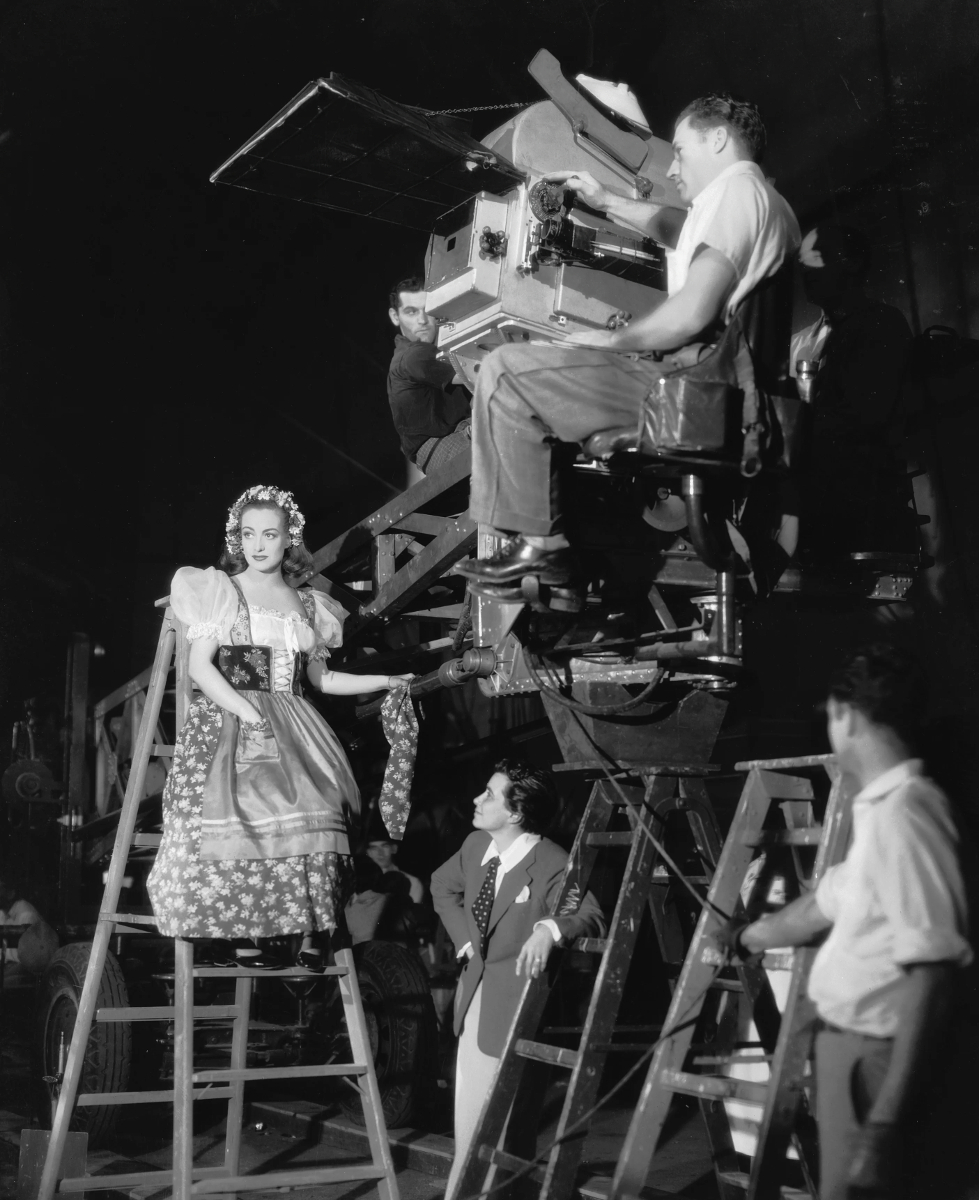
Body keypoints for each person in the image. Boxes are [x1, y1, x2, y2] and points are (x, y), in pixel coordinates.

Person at [455, 93, 800, 589]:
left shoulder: (738, 193)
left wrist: (603, 341)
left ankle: (541, 549)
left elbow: (691, 313)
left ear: (719, 139)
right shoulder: (760, 202)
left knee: (506, 372)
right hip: (726, 395)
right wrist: (605, 200)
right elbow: (679, 229)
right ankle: (551, 561)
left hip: (697, 388)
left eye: (680, 150)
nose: (674, 168)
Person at [717, 644, 973, 1200]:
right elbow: (823, 906)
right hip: (850, 1058)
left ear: (847, 715)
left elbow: (933, 974)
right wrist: (748, 936)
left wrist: (883, 1126)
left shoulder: (907, 813)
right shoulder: (883, 812)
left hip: (876, 1063)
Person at [146, 484, 411, 970]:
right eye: (249, 534)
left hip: (294, 716)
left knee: (324, 804)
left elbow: (324, 679)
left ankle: (313, 929)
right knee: (239, 809)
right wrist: (246, 713)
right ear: (237, 538)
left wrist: (389, 678)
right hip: (232, 715)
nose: (259, 545)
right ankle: (237, 934)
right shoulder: (221, 591)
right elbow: (201, 668)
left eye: (270, 534)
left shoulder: (307, 605)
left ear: (290, 538)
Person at [431, 760, 606, 1195]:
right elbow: (440, 885)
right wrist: (465, 942)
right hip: (473, 1001)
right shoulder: (475, 847)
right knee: (471, 1119)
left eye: (489, 794)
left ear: (515, 813)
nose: (477, 799)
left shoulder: (550, 860)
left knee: (499, 1124)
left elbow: (590, 913)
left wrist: (549, 929)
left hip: (516, 1008)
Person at [793, 223, 915, 557]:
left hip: (858, 508)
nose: (804, 270)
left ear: (853, 263)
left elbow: (864, 416)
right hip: (810, 504)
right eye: (800, 261)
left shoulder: (882, 325)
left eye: (814, 258)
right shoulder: (800, 342)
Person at [387, 276, 472, 473]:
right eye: (411, 312)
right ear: (395, 316)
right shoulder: (413, 354)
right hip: (441, 444)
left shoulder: (432, 347)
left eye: (428, 309)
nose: (423, 320)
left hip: (457, 432)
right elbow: (473, 374)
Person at [365, 834, 425, 904]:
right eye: (374, 848)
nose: (380, 853)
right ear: (368, 853)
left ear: (394, 849)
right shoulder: (363, 884)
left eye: (385, 846)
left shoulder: (413, 882)